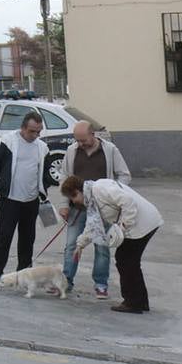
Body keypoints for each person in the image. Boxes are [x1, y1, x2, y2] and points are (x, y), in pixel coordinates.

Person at [60, 174, 163, 314]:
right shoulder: (92, 200)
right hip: (143, 223)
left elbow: (128, 202)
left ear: (77, 191)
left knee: (125, 260)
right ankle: (140, 301)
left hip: (143, 223)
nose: (74, 202)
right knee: (129, 261)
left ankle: (132, 302)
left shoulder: (100, 188)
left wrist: (123, 226)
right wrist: (80, 245)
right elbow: (92, 226)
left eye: (73, 198)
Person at [59, 121, 132, 299]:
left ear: (93, 134)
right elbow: (64, 176)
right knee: (71, 245)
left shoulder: (110, 150)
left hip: (103, 209)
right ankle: (65, 282)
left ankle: (101, 284)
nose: (80, 144)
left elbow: (125, 174)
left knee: (102, 247)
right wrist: (63, 203)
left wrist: (113, 192)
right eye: (77, 140)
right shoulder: (72, 150)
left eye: (83, 140)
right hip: (77, 208)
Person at [0, 112, 50, 288]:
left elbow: (44, 173)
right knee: (3, 237)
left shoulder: (42, 147)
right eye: (32, 131)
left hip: (31, 200)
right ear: (22, 128)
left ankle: (24, 274)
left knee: (27, 239)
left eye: (39, 131)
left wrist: (43, 191)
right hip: (10, 199)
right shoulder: (7, 141)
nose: (35, 135)